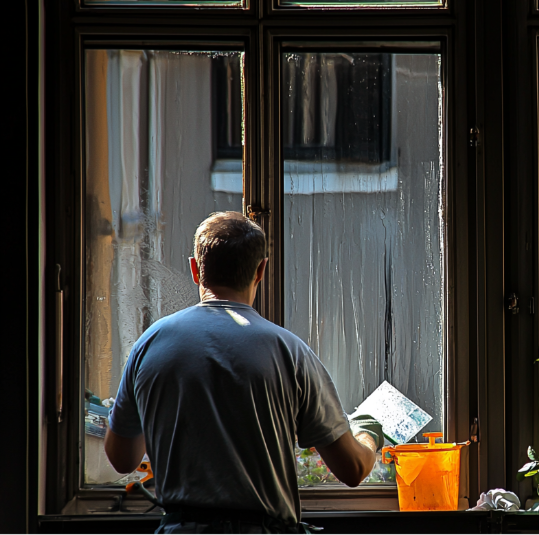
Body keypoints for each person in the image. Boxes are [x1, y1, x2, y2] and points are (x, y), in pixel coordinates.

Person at [104, 211, 382, 534]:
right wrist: (367, 432)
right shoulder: (288, 352)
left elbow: (122, 458)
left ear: (195, 269)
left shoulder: (149, 346)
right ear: (261, 270)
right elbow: (352, 469)